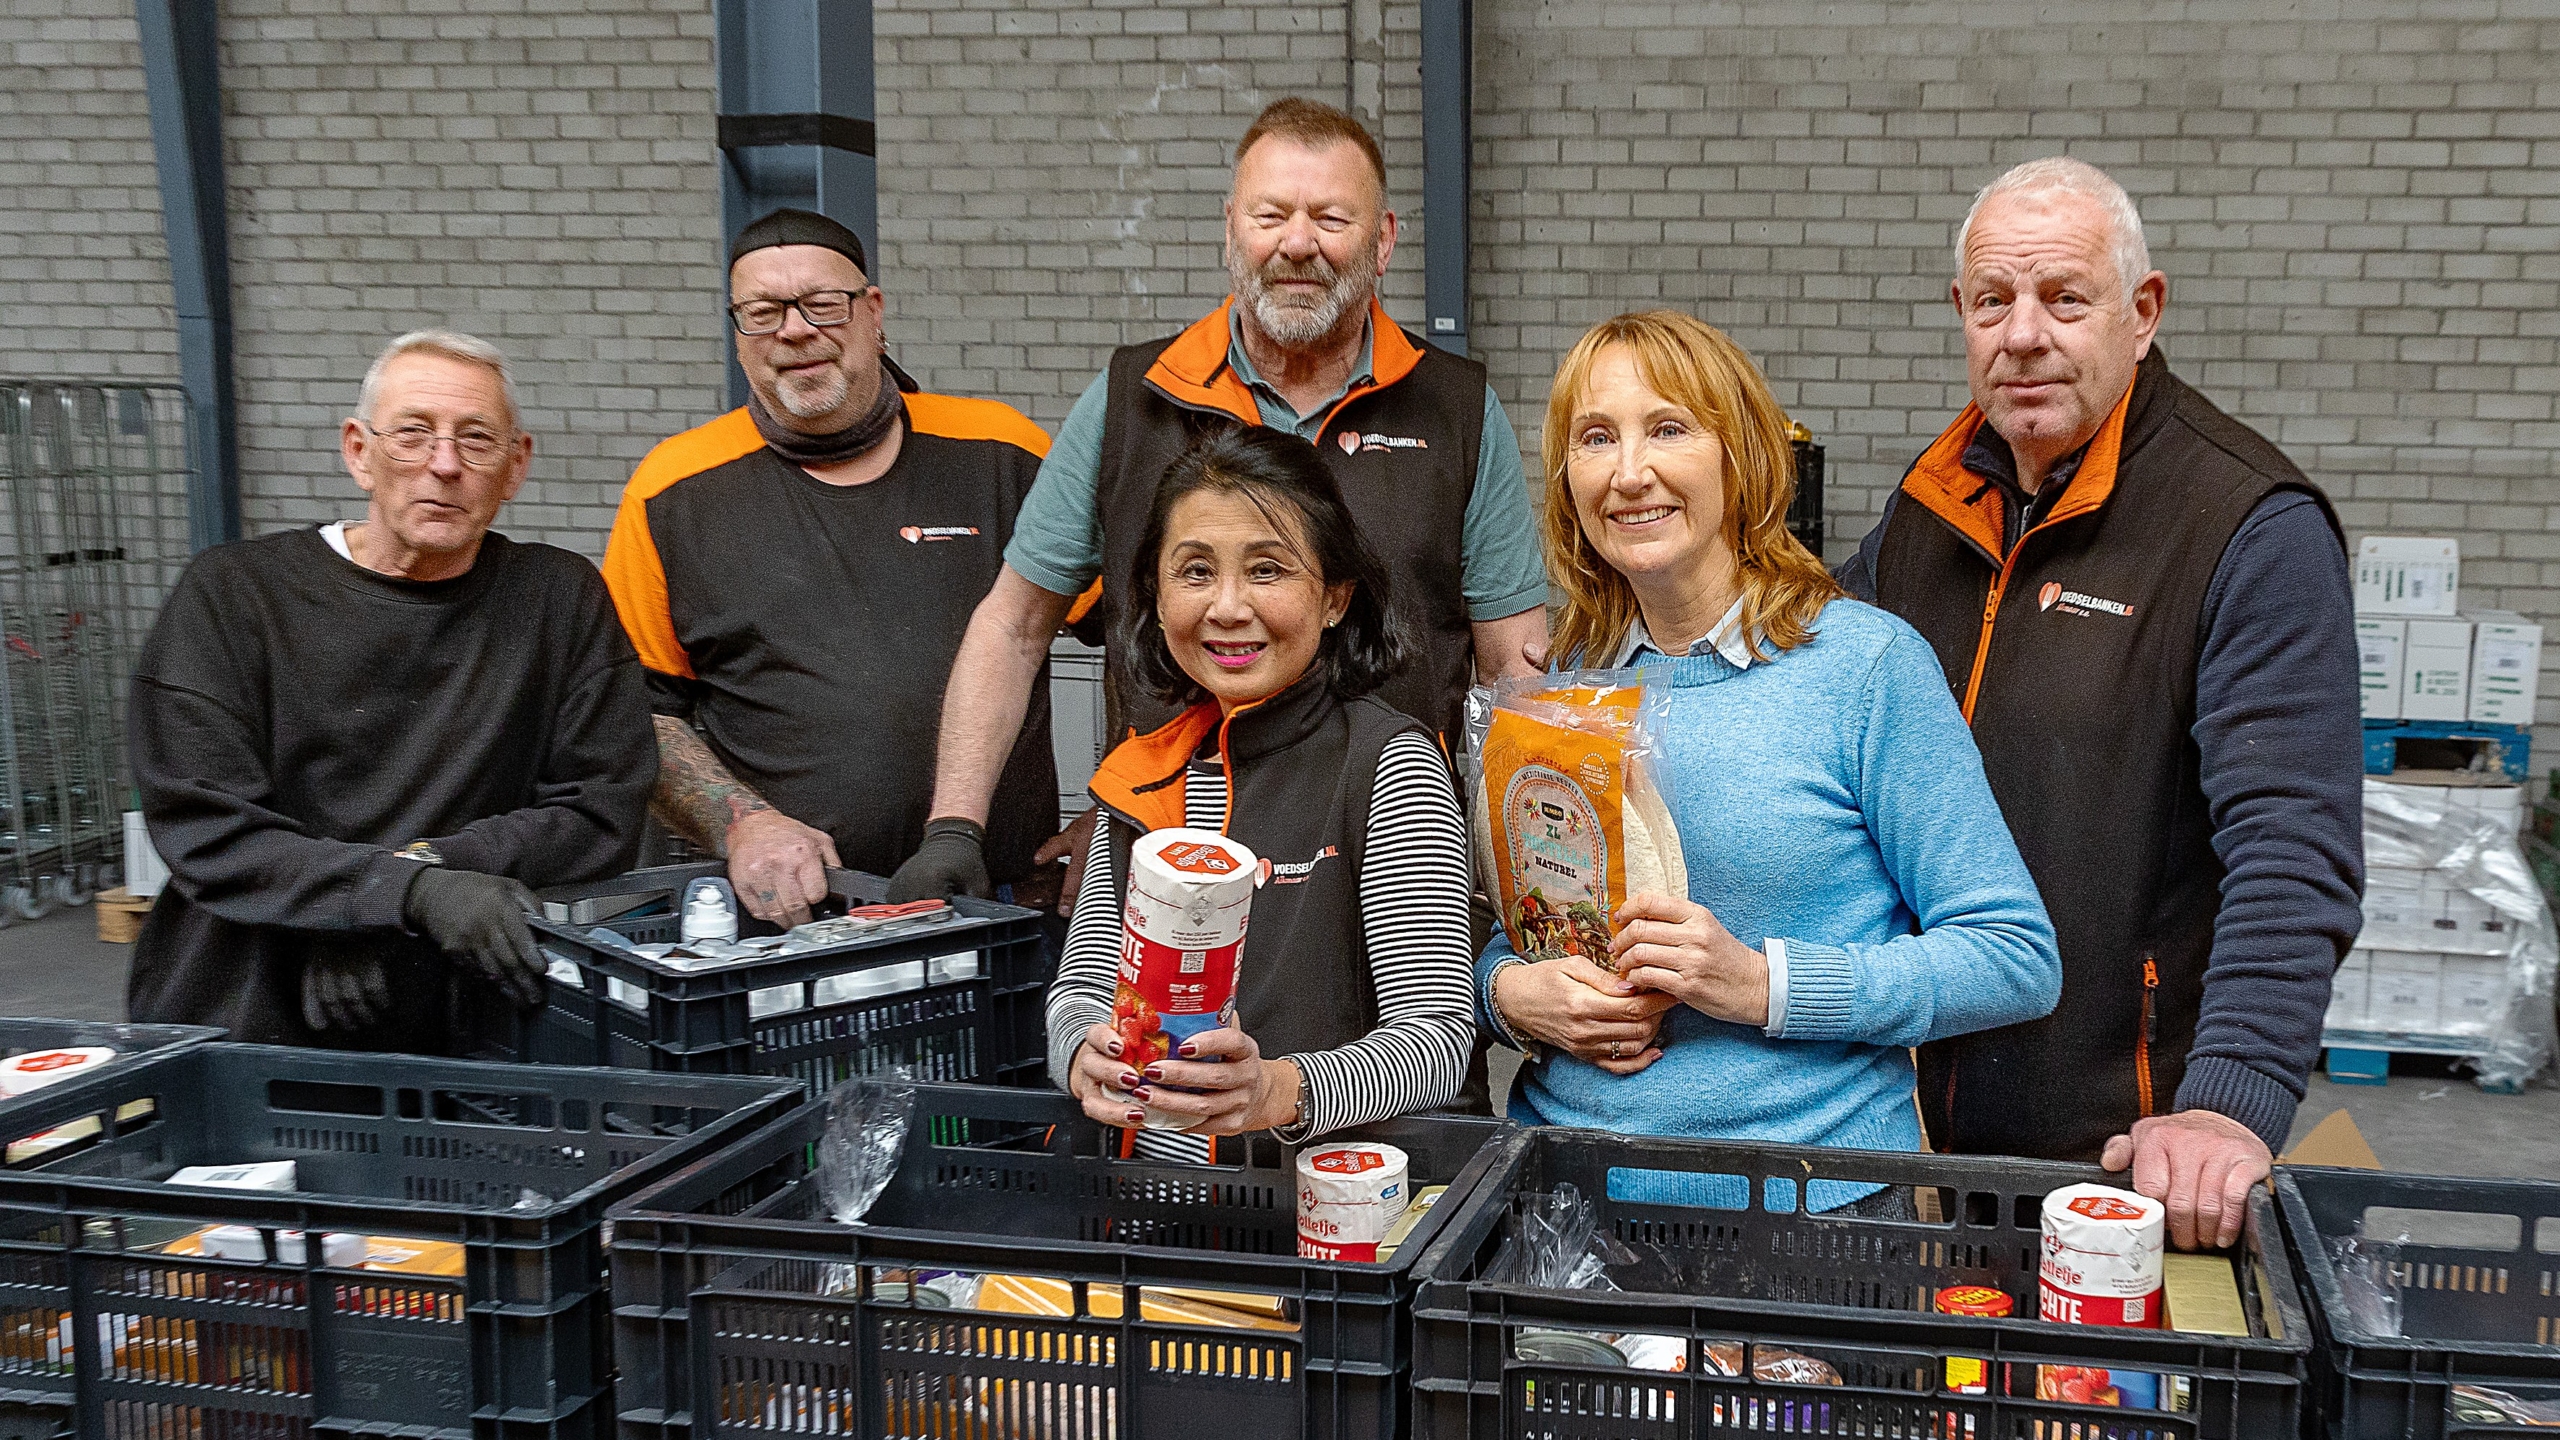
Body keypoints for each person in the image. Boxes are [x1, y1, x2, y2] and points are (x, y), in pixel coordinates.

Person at [1838, 157, 2363, 1249]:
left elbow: (2292, 845)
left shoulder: (2244, 526)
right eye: (1993, 301)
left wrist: (2227, 1100)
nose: (2022, 333)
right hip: (1898, 1130)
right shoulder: (1928, 510)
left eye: (2063, 298)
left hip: (2113, 1153)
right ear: (1960, 315)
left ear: (2142, 310)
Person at [891, 96, 1549, 905]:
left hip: (1391, 860)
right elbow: (1014, 623)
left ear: (1383, 243)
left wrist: (1516, 891)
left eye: (1332, 218)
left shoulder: (1452, 409)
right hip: (1172, 856)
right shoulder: (1134, 399)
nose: (1298, 243)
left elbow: (1512, 673)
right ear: (1231, 228)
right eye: (1272, 214)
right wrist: (956, 827)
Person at [1480, 310, 2061, 1208]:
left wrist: (1762, 984)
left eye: (1668, 429)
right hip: (1560, 1198)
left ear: (1741, 455)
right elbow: (1511, 933)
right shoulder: (1562, 681)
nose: (1630, 472)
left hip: (1806, 1214)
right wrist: (1513, 994)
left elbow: (2013, 957)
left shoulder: (1863, 667)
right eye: (1596, 439)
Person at [127, 330, 656, 1049]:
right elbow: (208, 824)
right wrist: (387, 898)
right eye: (413, 434)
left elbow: (601, 809)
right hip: (250, 1008)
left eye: (476, 440)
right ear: (358, 451)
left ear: (515, 466)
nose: (443, 465)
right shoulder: (233, 596)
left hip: (471, 1014)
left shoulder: (558, 600)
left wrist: (420, 881)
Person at [603, 209, 1061, 926]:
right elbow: (635, 715)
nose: (794, 330)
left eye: (822, 304)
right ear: (738, 334)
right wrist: (740, 822)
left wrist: (1118, 817)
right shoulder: (673, 489)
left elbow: (1145, 639)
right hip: (794, 923)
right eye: (762, 313)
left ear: (873, 313)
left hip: (996, 907)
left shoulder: (1002, 451)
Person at [1049, 426, 1478, 1148]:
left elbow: (1436, 1041)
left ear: (1335, 598)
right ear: (1155, 593)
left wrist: (1280, 1090)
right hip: (1151, 1217)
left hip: (1328, 1223)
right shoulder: (1141, 771)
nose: (1226, 607)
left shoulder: (1386, 763)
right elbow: (1082, 993)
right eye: (1193, 571)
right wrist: (1080, 1056)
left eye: (1267, 570)